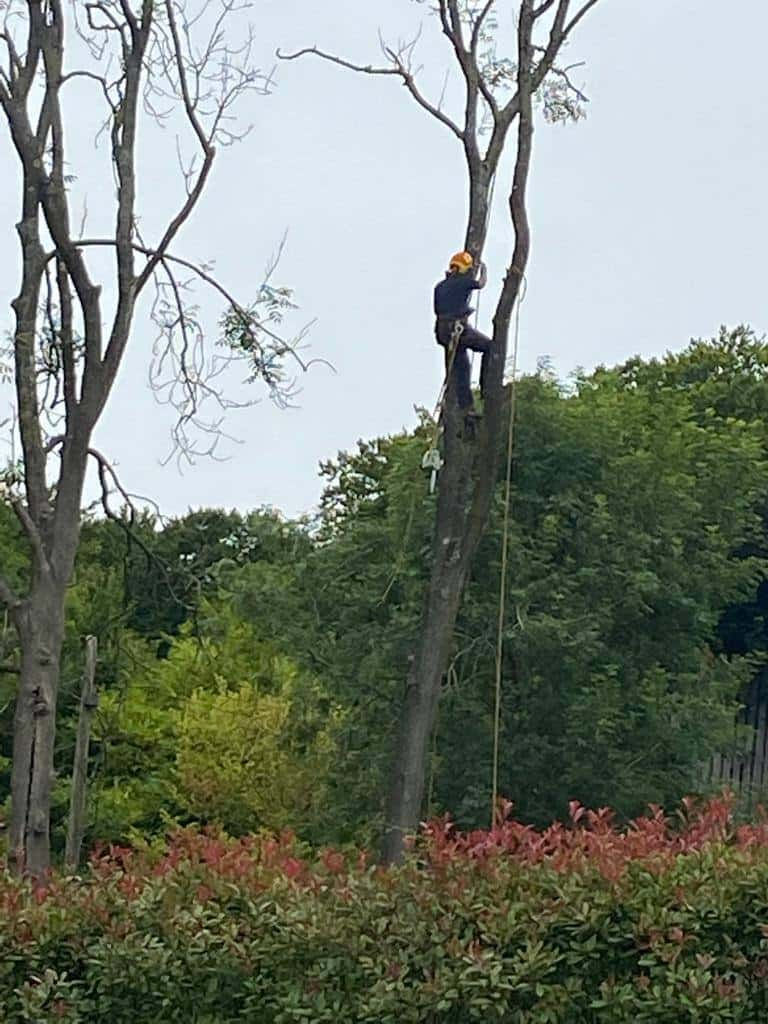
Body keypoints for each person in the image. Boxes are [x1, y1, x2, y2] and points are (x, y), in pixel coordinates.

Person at [433, 251, 491, 414]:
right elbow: (480, 283)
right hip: (458, 329)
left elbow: (440, 309)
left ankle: (467, 409)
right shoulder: (463, 282)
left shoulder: (439, 287)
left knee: (462, 368)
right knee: (489, 346)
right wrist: (483, 270)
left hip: (442, 332)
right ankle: (486, 387)